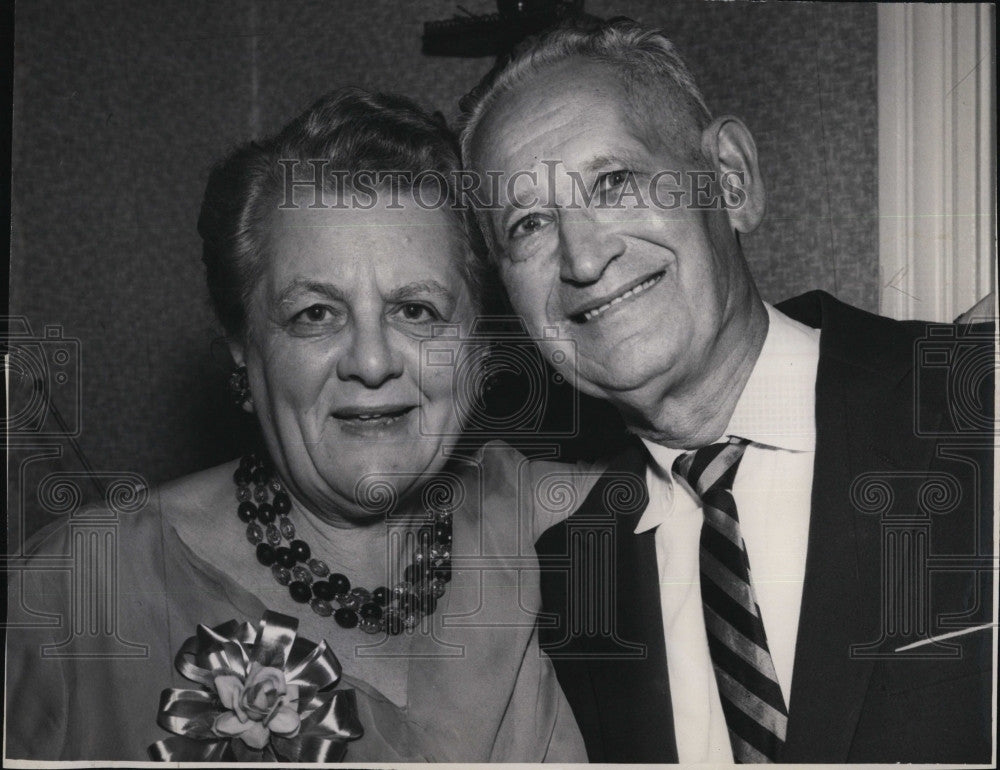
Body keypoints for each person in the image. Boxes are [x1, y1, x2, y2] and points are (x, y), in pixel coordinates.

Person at [460, 18, 995, 764]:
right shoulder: (573, 589)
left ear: (731, 179)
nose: (583, 257)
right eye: (529, 225)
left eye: (613, 181)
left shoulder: (974, 407)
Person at [4, 88, 593, 763]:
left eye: (417, 310)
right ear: (242, 345)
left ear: (479, 347)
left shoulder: (544, 518)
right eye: (315, 313)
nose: (371, 362)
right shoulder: (82, 590)